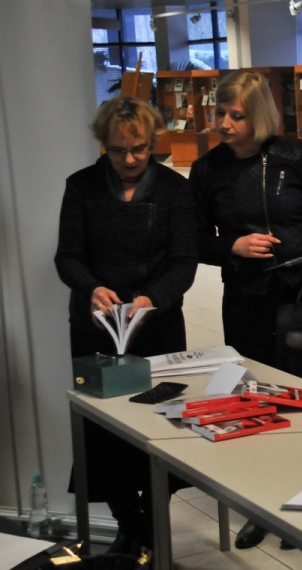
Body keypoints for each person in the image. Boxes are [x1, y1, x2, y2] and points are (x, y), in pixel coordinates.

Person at [188, 70, 302, 549]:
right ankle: (264, 504)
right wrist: (231, 245)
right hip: (246, 298)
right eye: (220, 113)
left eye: (237, 115)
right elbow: (192, 239)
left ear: (259, 116)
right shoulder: (207, 169)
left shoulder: (294, 156)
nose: (225, 124)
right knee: (256, 401)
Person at [55, 96, 198, 554]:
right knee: (102, 434)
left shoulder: (174, 190)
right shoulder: (82, 186)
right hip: (96, 328)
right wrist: (91, 288)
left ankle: (149, 524)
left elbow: (184, 262)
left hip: (157, 328)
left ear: (152, 142)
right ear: (104, 145)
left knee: (159, 427)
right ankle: (131, 525)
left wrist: (152, 298)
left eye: (139, 149)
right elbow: (68, 256)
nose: (130, 159)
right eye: (118, 150)